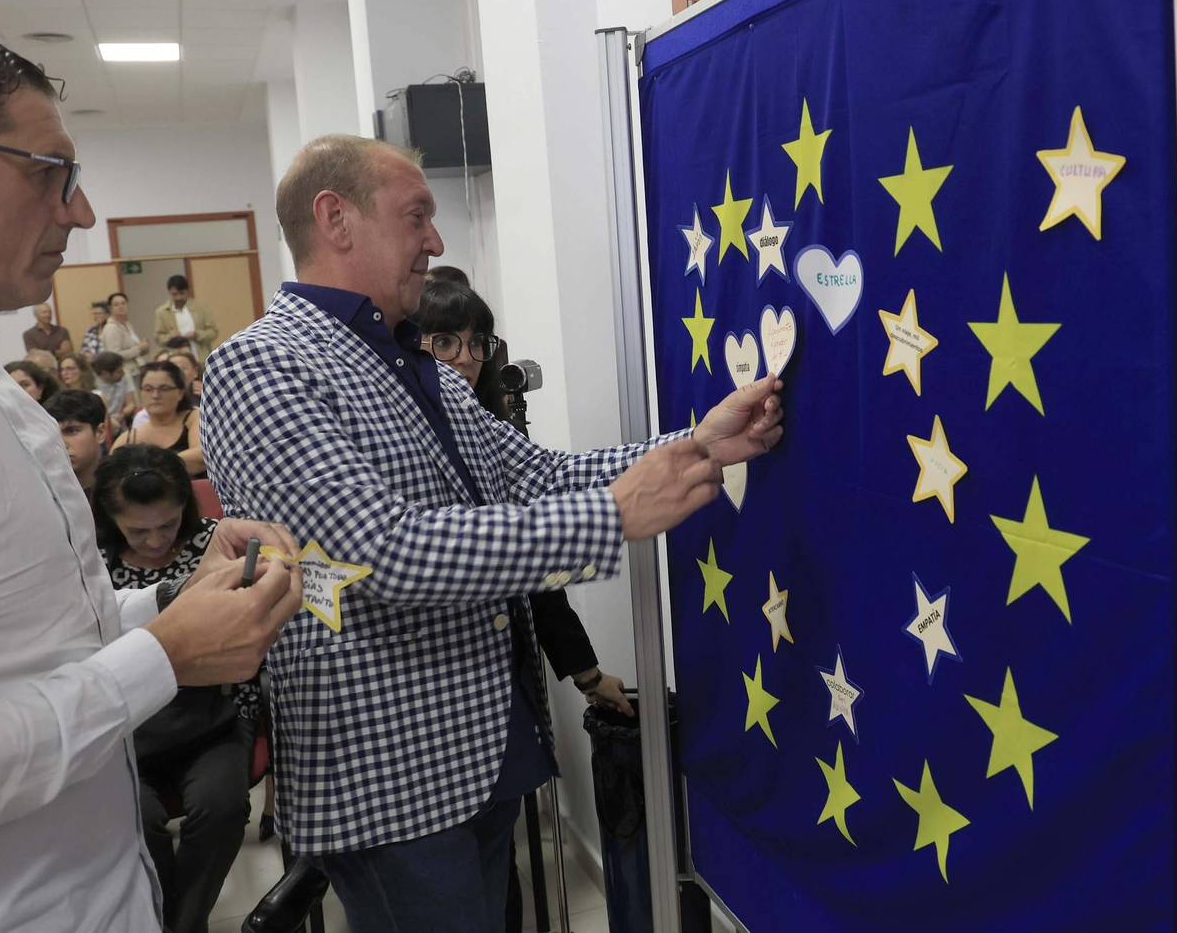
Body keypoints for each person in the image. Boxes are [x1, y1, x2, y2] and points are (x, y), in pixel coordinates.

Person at [201, 133, 782, 933]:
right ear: (335, 219)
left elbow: (535, 475)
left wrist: (698, 443)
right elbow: (380, 552)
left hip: (480, 747)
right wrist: (613, 515)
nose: (436, 243)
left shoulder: (423, 368)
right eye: (417, 218)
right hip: (390, 773)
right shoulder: (262, 366)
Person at [0, 15, 304, 933]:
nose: (81, 213)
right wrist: (165, 658)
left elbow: (20, 637)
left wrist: (169, 602)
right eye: (50, 174)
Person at [418, 280, 632, 933]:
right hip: (422, 700)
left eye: (474, 342)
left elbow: (537, 564)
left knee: (495, 871)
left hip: (498, 681)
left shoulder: (492, 425)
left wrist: (585, 672)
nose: (462, 357)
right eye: (443, 342)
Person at [95, 445, 260, 933]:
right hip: (127, 724)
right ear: (111, 519)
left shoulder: (216, 546)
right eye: (138, 530)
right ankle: (166, 919)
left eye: (167, 525)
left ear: (186, 509)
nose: (154, 540)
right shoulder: (90, 562)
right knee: (133, 820)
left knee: (223, 805)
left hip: (214, 715)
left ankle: (183, 923)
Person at [114, 359, 204, 478]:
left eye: (164, 388)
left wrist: (142, 471)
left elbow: (200, 457)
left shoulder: (194, 417)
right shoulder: (129, 438)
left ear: (180, 393)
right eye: (148, 389)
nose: (155, 395)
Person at [45, 388, 106, 496]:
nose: (62, 443)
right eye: (54, 433)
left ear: (100, 433)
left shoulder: (123, 493)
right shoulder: (41, 494)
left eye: (71, 431)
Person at [154, 274, 219, 364]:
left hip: (201, 357)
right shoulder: (162, 312)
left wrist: (196, 334)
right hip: (175, 359)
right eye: (175, 294)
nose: (179, 297)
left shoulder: (201, 308)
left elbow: (213, 332)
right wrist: (170, 336)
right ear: (169, 292)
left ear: (187, 291)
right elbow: (158, 339)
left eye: (182, 293)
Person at [101, 290, 149, 369]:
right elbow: (114, 356)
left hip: (137, 367)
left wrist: (144, 348)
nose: (121, 307)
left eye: (123, 303)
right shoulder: (111, 328)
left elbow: (133, 351)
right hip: (125, 371)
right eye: (116, 305)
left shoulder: (128, 324)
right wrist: (138, 348)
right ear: (110, 308)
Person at [93, 349, 138, 431]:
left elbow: (131, 404)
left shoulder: (125, 376)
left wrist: (122, 414)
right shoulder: (92, 383)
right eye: (119, 372)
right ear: (105, 373)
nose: (123, 373)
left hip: (119, 420)